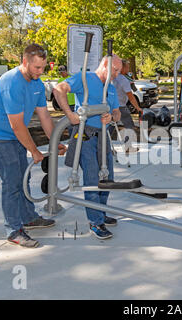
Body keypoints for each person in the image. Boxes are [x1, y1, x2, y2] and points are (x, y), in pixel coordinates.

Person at [0, 44, 67, 248]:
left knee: (22, 178)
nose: (40, 71)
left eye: (43, 67)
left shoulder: (36, 83)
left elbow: (44, 116)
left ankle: (28, 218)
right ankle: (13, 230)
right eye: (36, 67)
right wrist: (34, 151)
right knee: (12, 182)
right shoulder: (11, 83)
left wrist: (55, 140)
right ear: (25, 62)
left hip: (12, 136)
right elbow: (16, 125)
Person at [53, 54, 122, 240]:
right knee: (92, 177)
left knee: (108, 177)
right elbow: (59, 89)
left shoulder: (111, 88)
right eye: (115, 70)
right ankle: (95, 221)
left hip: (103, 135)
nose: (116, 74)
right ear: (105, 66)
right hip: (84, 133)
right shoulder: (84, 78)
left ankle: (101, 211)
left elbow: (117, 112)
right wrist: (70, 114)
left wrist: (111, 116)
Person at [112, 59, 142, 153]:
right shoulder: (123, 80)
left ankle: (104, 147)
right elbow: (131, 97)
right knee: (129, 126)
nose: (129, 69)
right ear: (122, 68)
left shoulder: (112, 77)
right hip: (120, 107)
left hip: (111, 106)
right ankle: (128, 147)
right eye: (127, 67)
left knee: (109, 127)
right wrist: (138, 108)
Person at [57, 65, 76, 135]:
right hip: (66, 104)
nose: (62, 74)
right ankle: (71, 137)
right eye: (60, 72)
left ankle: (77, 137)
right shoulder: (60, 81)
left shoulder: (72, 78)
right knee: (69, 122)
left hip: (74, 103)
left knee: (77, 121)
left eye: (63, 72)